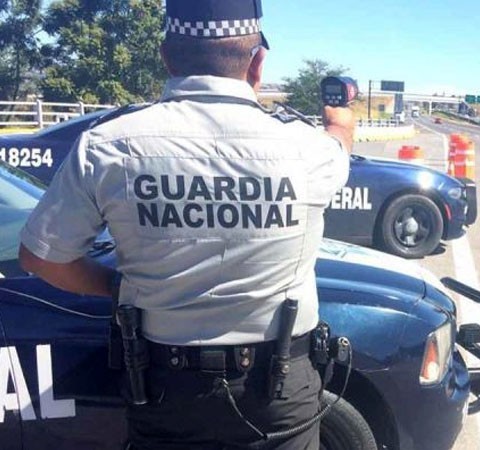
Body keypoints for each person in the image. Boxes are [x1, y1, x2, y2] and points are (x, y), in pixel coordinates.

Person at [17, 0, 353, 448]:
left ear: (167, 57)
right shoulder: (310, 150)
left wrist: (116, 286)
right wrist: (341, 119)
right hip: (278, 389)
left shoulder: (107, 146)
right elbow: (340, 147)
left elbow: (41, 257)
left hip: (162, 389)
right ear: (258, 63)